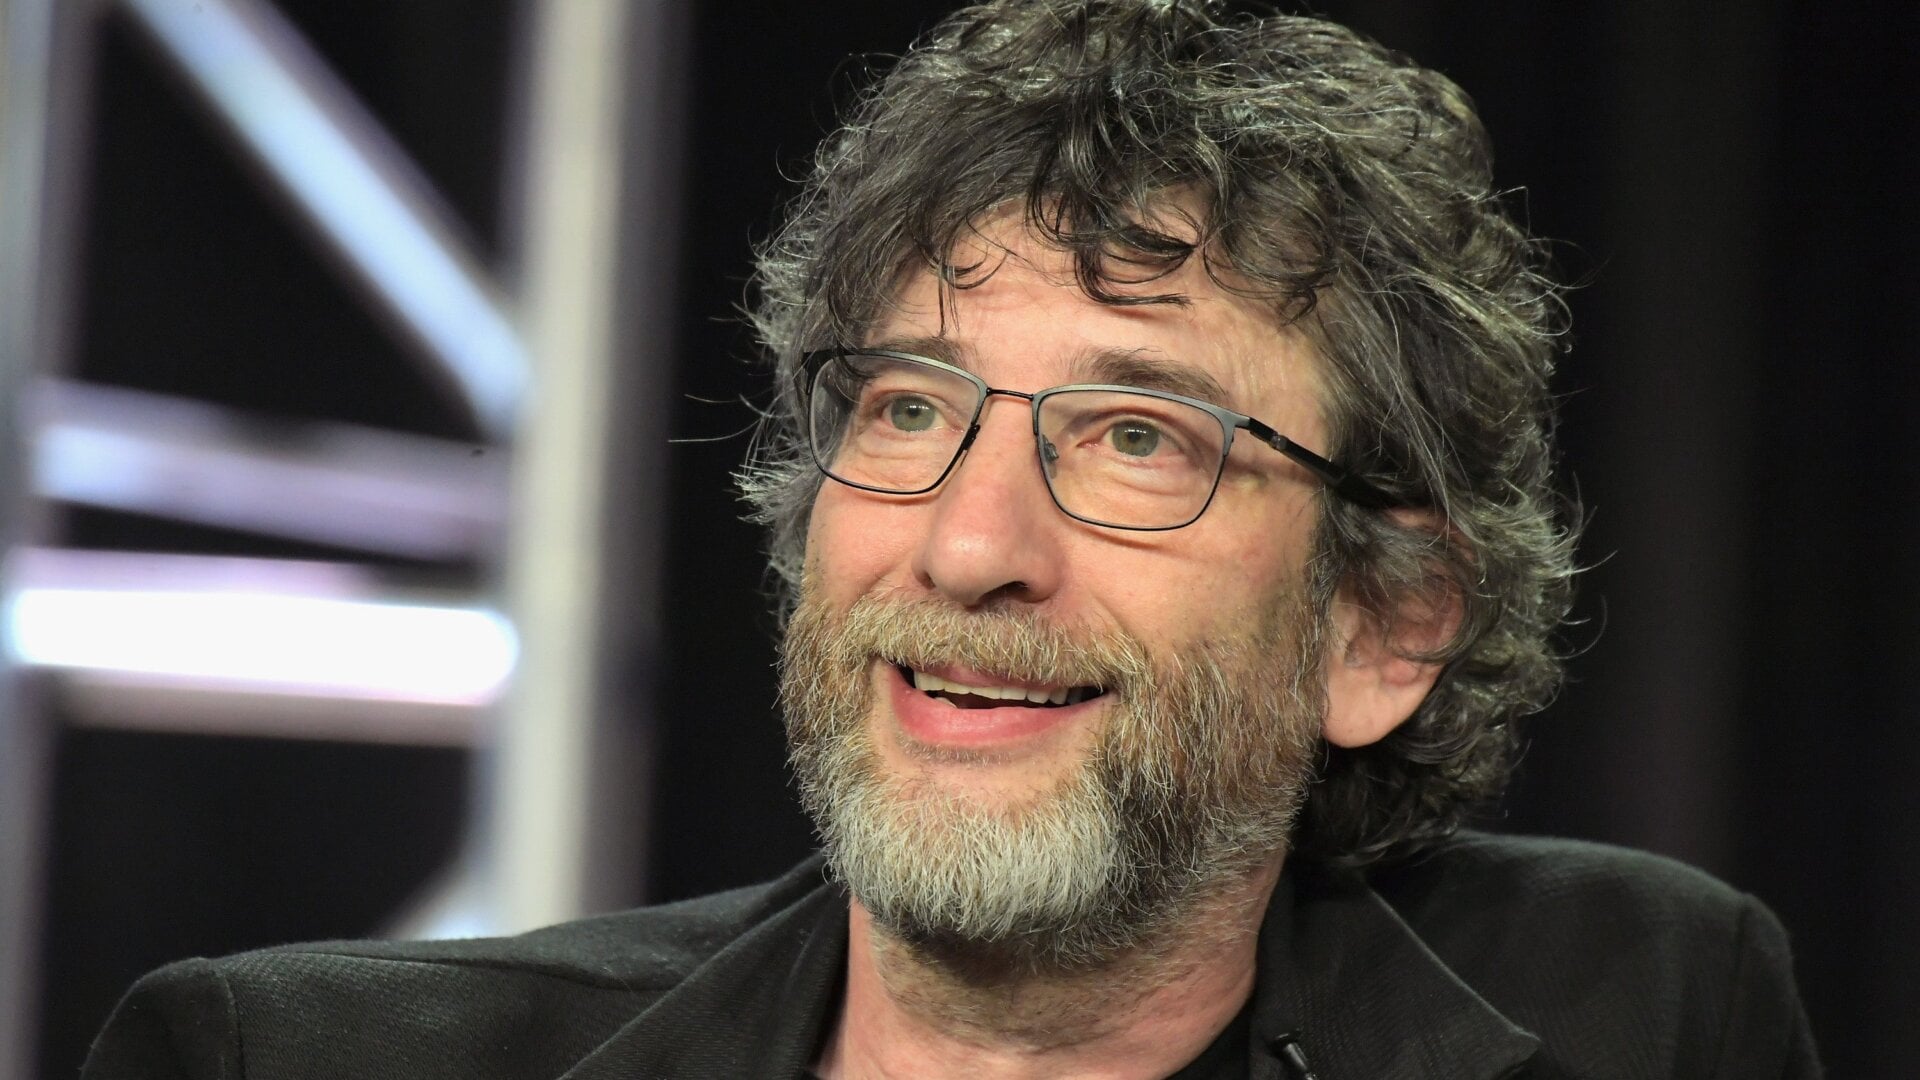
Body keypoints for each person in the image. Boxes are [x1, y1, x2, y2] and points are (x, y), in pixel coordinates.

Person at [84, 1, 1821, 1077]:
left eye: (1138, 438)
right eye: (910, 408)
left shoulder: (1650, 1004)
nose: (973, 545)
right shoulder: (284, 1059)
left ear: (1386, 628)